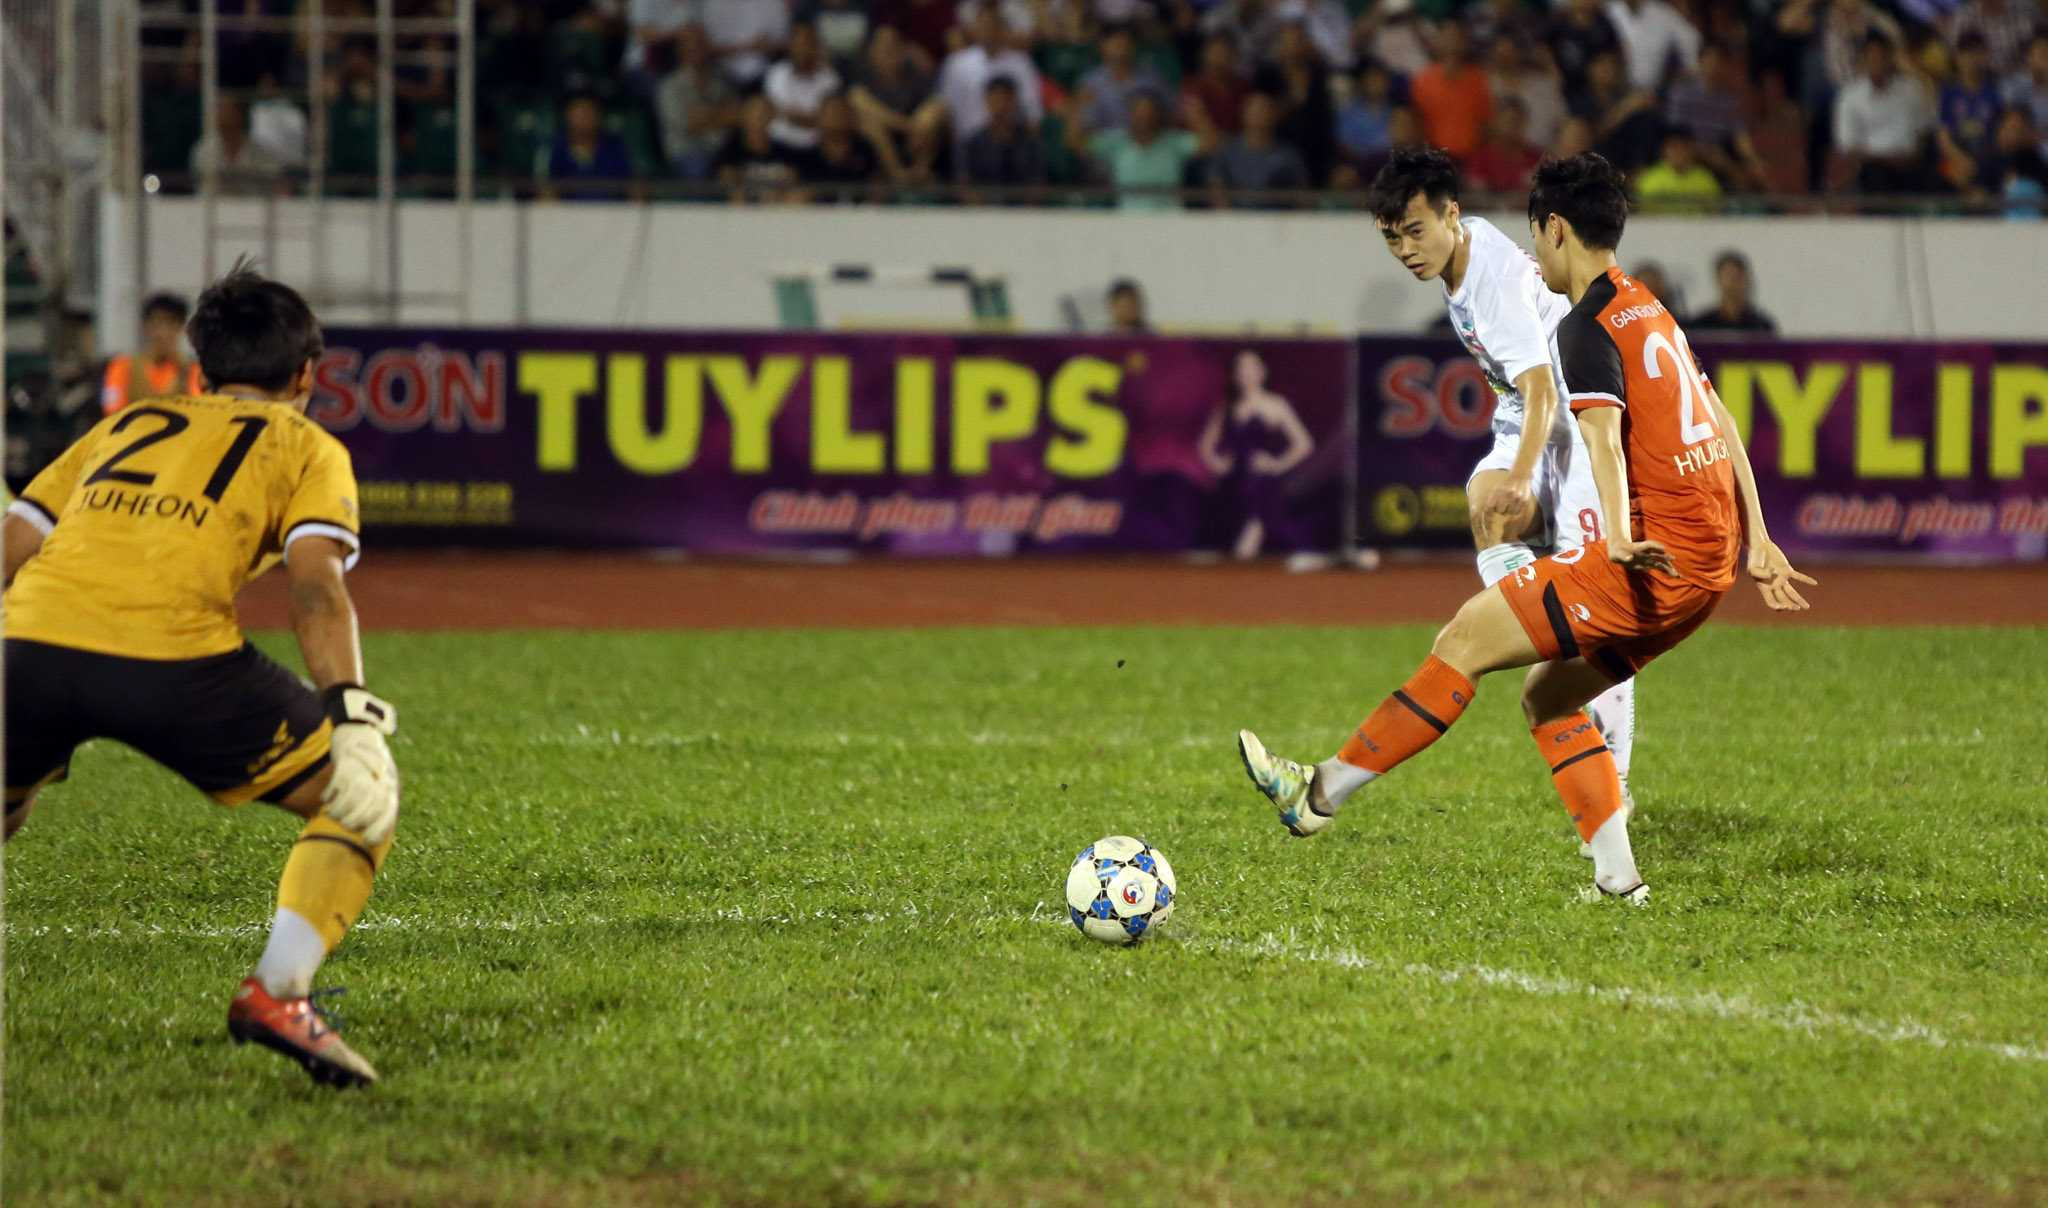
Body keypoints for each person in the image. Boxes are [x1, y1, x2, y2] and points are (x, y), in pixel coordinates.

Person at [1241, 153, 1815, 903]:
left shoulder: (1582, 328)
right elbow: (1722, 419)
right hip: (1708, 570)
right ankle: (1619, 882)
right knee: (1547, 699)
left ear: (1556, 229)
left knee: (1463, 641)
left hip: (1646, 561)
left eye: (1536, 233)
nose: (1529, 252)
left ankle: (1317, 794)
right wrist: (1760, 538)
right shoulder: (1647, 305)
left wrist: (1613, 536)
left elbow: (1603, 444)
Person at [3, 261, 401, 1087]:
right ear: (307, 376)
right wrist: (352, 712)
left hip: (30, 640)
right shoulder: (308, 444)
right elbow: (316, 588)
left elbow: (14, 546)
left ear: (199, 370)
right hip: (175, 660)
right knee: (358, 799)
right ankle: (279, 992)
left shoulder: (126, 423)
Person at [1362, 144, 1641, 822]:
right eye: (1392, 238)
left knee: (1595, 615)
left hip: (1576, 418)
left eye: (1416, 230)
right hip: (1529, 415)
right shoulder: (1467, 251)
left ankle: (1614, 778)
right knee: (1486, 510)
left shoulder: (1488, 285)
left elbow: (1542, 386)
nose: (1406, 250)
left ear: (1451, 215)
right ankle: (1532, 619)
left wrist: (1521, 474)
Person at [1199, 349, 1317, 559]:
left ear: (1262, 371)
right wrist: (1219, 465)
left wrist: (1277, 465)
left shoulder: (1276, 404)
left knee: (1252, 534)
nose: (1246, 372)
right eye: (1240, 368)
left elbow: (1304, 444)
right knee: (1230, 540)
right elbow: (1205, 446)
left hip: (1262, 484)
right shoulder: (1226, 407)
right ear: (1234, 375)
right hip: (1232, 485)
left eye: (1251, 367)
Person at [1070, 90, 1218, 210]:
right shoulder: (1117, 143)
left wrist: (1198, 116)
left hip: (1170, 217)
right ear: (1130, 115)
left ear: (1158, 115)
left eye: (1149, 112)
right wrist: (1080, 109)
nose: (1144, 117)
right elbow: (1075, 143)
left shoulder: (1173, 142)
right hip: (1127, 217)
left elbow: (1209, 144)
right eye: (1139, 112)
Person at [1835, 34, 1935, 195]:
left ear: (1890, 59)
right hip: (1871, 168)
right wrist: (1885, 159)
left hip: (1910, 166)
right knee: (1875, 175)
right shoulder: (1850, 96)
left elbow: (1925, 131)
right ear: (1863, 60)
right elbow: (1848, 147)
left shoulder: (1911, 89)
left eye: (1881, 57)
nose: (1877, 63)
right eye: (1871, 58)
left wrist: (1913, 156)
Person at [103, 292, 203, 415]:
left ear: (181, 328)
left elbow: (198, 409)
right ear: (145, 326)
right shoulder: (122, 366)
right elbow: (111, 411)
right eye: (157, 323)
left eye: (171, 324)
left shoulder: (192, 370)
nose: (162, 332)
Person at [1209, 91, 1312, 205]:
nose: (1259, 114)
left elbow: (1301, 194)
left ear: (1274, 115)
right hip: (1236, 214)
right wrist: (1227, 214)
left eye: (1264, 109)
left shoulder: (1288, 156)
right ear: (1243, 113)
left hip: (1277, 214)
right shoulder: (1227, 152)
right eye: (1254, 110)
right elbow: (1216, 187)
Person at [1409, 21, 1492, 162]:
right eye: (1446, 36)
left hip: (1472, 157)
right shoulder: (1422, 80)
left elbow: (1485, 122)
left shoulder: (1478, 79)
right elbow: (1417, 123)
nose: (1451, 42)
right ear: (1437, 42)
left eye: (1456, 37)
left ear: (1465, 43)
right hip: (1434, 159)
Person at [539, 94, 639, 202]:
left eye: (588, 113)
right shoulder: (555, 148)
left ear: (598, 116)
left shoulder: (615, 147)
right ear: (567, 116)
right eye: (579, 114)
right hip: (567, 210)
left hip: (612, 209)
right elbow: (546, 189)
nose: (584, 119)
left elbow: (633, 185)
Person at [764, 21, 844, 152]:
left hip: (817, 147)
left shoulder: (830, 78)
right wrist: (811, 119)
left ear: (816, 46)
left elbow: (829, 121)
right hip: (779, 144)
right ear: (790, 46)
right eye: (798, 43)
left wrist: (796, 117)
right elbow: (776, 112)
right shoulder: (776, 73)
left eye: (807, 43)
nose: (803, 49)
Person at [961, 76, 1048, 193]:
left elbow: (1038, 184)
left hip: (1022, 204)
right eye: (996, 99)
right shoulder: (973, 143)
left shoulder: (1030, 142)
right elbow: (966, 185)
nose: (1001, 105)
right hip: (984, 204)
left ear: (1014, 101)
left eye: (1006, 99)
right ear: (987, 101)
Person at [1689, 249, 1778, 336]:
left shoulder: (1761, 326)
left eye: (1737, 277)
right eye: (1728, 276)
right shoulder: (1701, 325)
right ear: (1718, 279)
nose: (1732, 283)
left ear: (1746, 280)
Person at [1635, 128, 1724, 211]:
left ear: (1691, 149)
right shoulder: (1650, 178)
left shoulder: (1705, 178)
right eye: (1674, 147)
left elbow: (1716, 211)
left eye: (1683, 147)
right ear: (1664, 150)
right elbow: (1643, 213)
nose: (1678, 152)